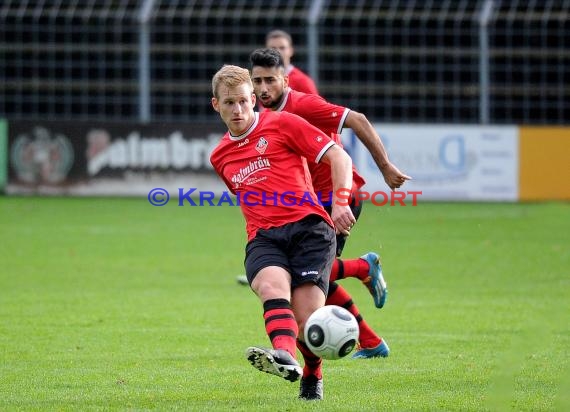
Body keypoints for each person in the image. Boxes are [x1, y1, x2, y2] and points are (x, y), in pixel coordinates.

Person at [249, 47, 412, 359]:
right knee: (310, 282)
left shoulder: (304, 104)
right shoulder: (262, 114)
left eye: (270, 80)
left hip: (337, 198)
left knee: (307, 278)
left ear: (285, 78)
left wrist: (386, 167)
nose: (263, 88)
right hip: (308, 203)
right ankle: (372, 341)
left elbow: (359, 120)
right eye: (257, 81)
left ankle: (362, 267)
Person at [209, 64, 356, 400]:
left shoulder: (283, 124)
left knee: (307, 321)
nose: (238, 109)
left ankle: (312, 372)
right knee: (270, 285)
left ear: (254, 101)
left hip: (310, 230)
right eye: (229, 102)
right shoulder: (219, 156)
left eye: (244, 101)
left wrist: (340, 202)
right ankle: (284, 355)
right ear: (216, 105)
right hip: (264, 237)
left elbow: (339, 158)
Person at [265, 29, 319, 95]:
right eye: (273, 48)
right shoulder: (261, 79)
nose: (277, 52)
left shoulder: (303, 82)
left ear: (291, 51)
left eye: (282, 48)